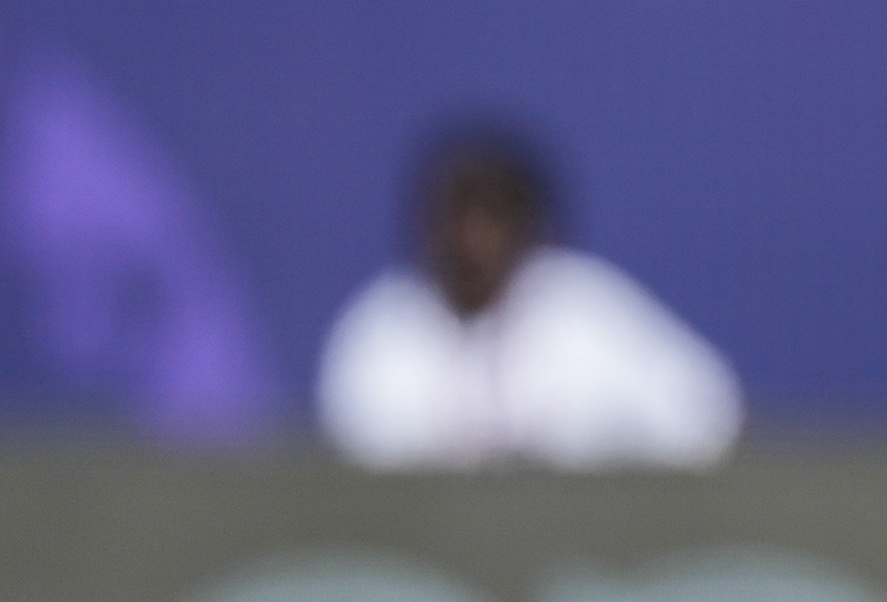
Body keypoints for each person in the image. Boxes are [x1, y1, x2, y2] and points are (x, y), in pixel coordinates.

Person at [315, 128, 741, 469]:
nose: (472, 241)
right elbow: (363, 473)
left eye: (494, 217)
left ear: (532, 228)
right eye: (456, 216)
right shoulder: (379, 328)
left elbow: (708, 421)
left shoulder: (584, 310)